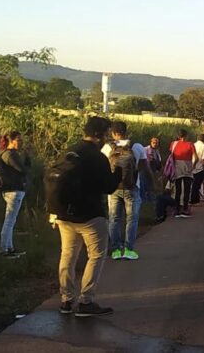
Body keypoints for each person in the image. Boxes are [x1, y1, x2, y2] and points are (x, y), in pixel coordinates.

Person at [56, 116, 121, 317]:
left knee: (68, 255)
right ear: (98, 135)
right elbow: (109, 187)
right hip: (90, 216)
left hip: (64, 215)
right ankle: (86, 301)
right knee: (97, 255)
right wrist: (116, 167)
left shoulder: (69, 152)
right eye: (105, 135)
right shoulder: (97, 157)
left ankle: (66, 300)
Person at [102, 121, 152, 261]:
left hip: (113, 188)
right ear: (126, 131)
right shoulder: (137, 146)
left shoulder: (107, 148)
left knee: (114, 219)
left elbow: (102, 168)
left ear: (113, 133)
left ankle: (116, 250)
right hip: (132, 188)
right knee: (132, 219)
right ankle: (129, 250)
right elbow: (144, 168)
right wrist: (150, 184)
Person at [0, 131, 31, 258]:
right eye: (18, 140)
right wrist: (27, 157)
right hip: (14, 191)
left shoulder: (4, 154)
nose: (21, 142)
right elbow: (24, 170)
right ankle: (4, 249)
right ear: (11, 140)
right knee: (9, 221)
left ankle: (9, 248)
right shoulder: (10, 155)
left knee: (11, 220)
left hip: (10, 190)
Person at [170, 129, 197, 217]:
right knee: (187, 190)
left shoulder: (173, 144)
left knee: (178, 190)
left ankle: (177, 209)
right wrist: (193, 166)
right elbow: (196, 158)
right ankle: (185, 209)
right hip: (187, 167)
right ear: (186, 135)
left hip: (177, 167)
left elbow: (171, 155)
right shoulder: (190, 144)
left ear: (178, 136)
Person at [191, 133, 204, 204]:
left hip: (191, 167)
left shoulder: (193, 145)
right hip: (199, 168)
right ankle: (195, 200)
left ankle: (194, 198)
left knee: (192, 184)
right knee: (197, 185)